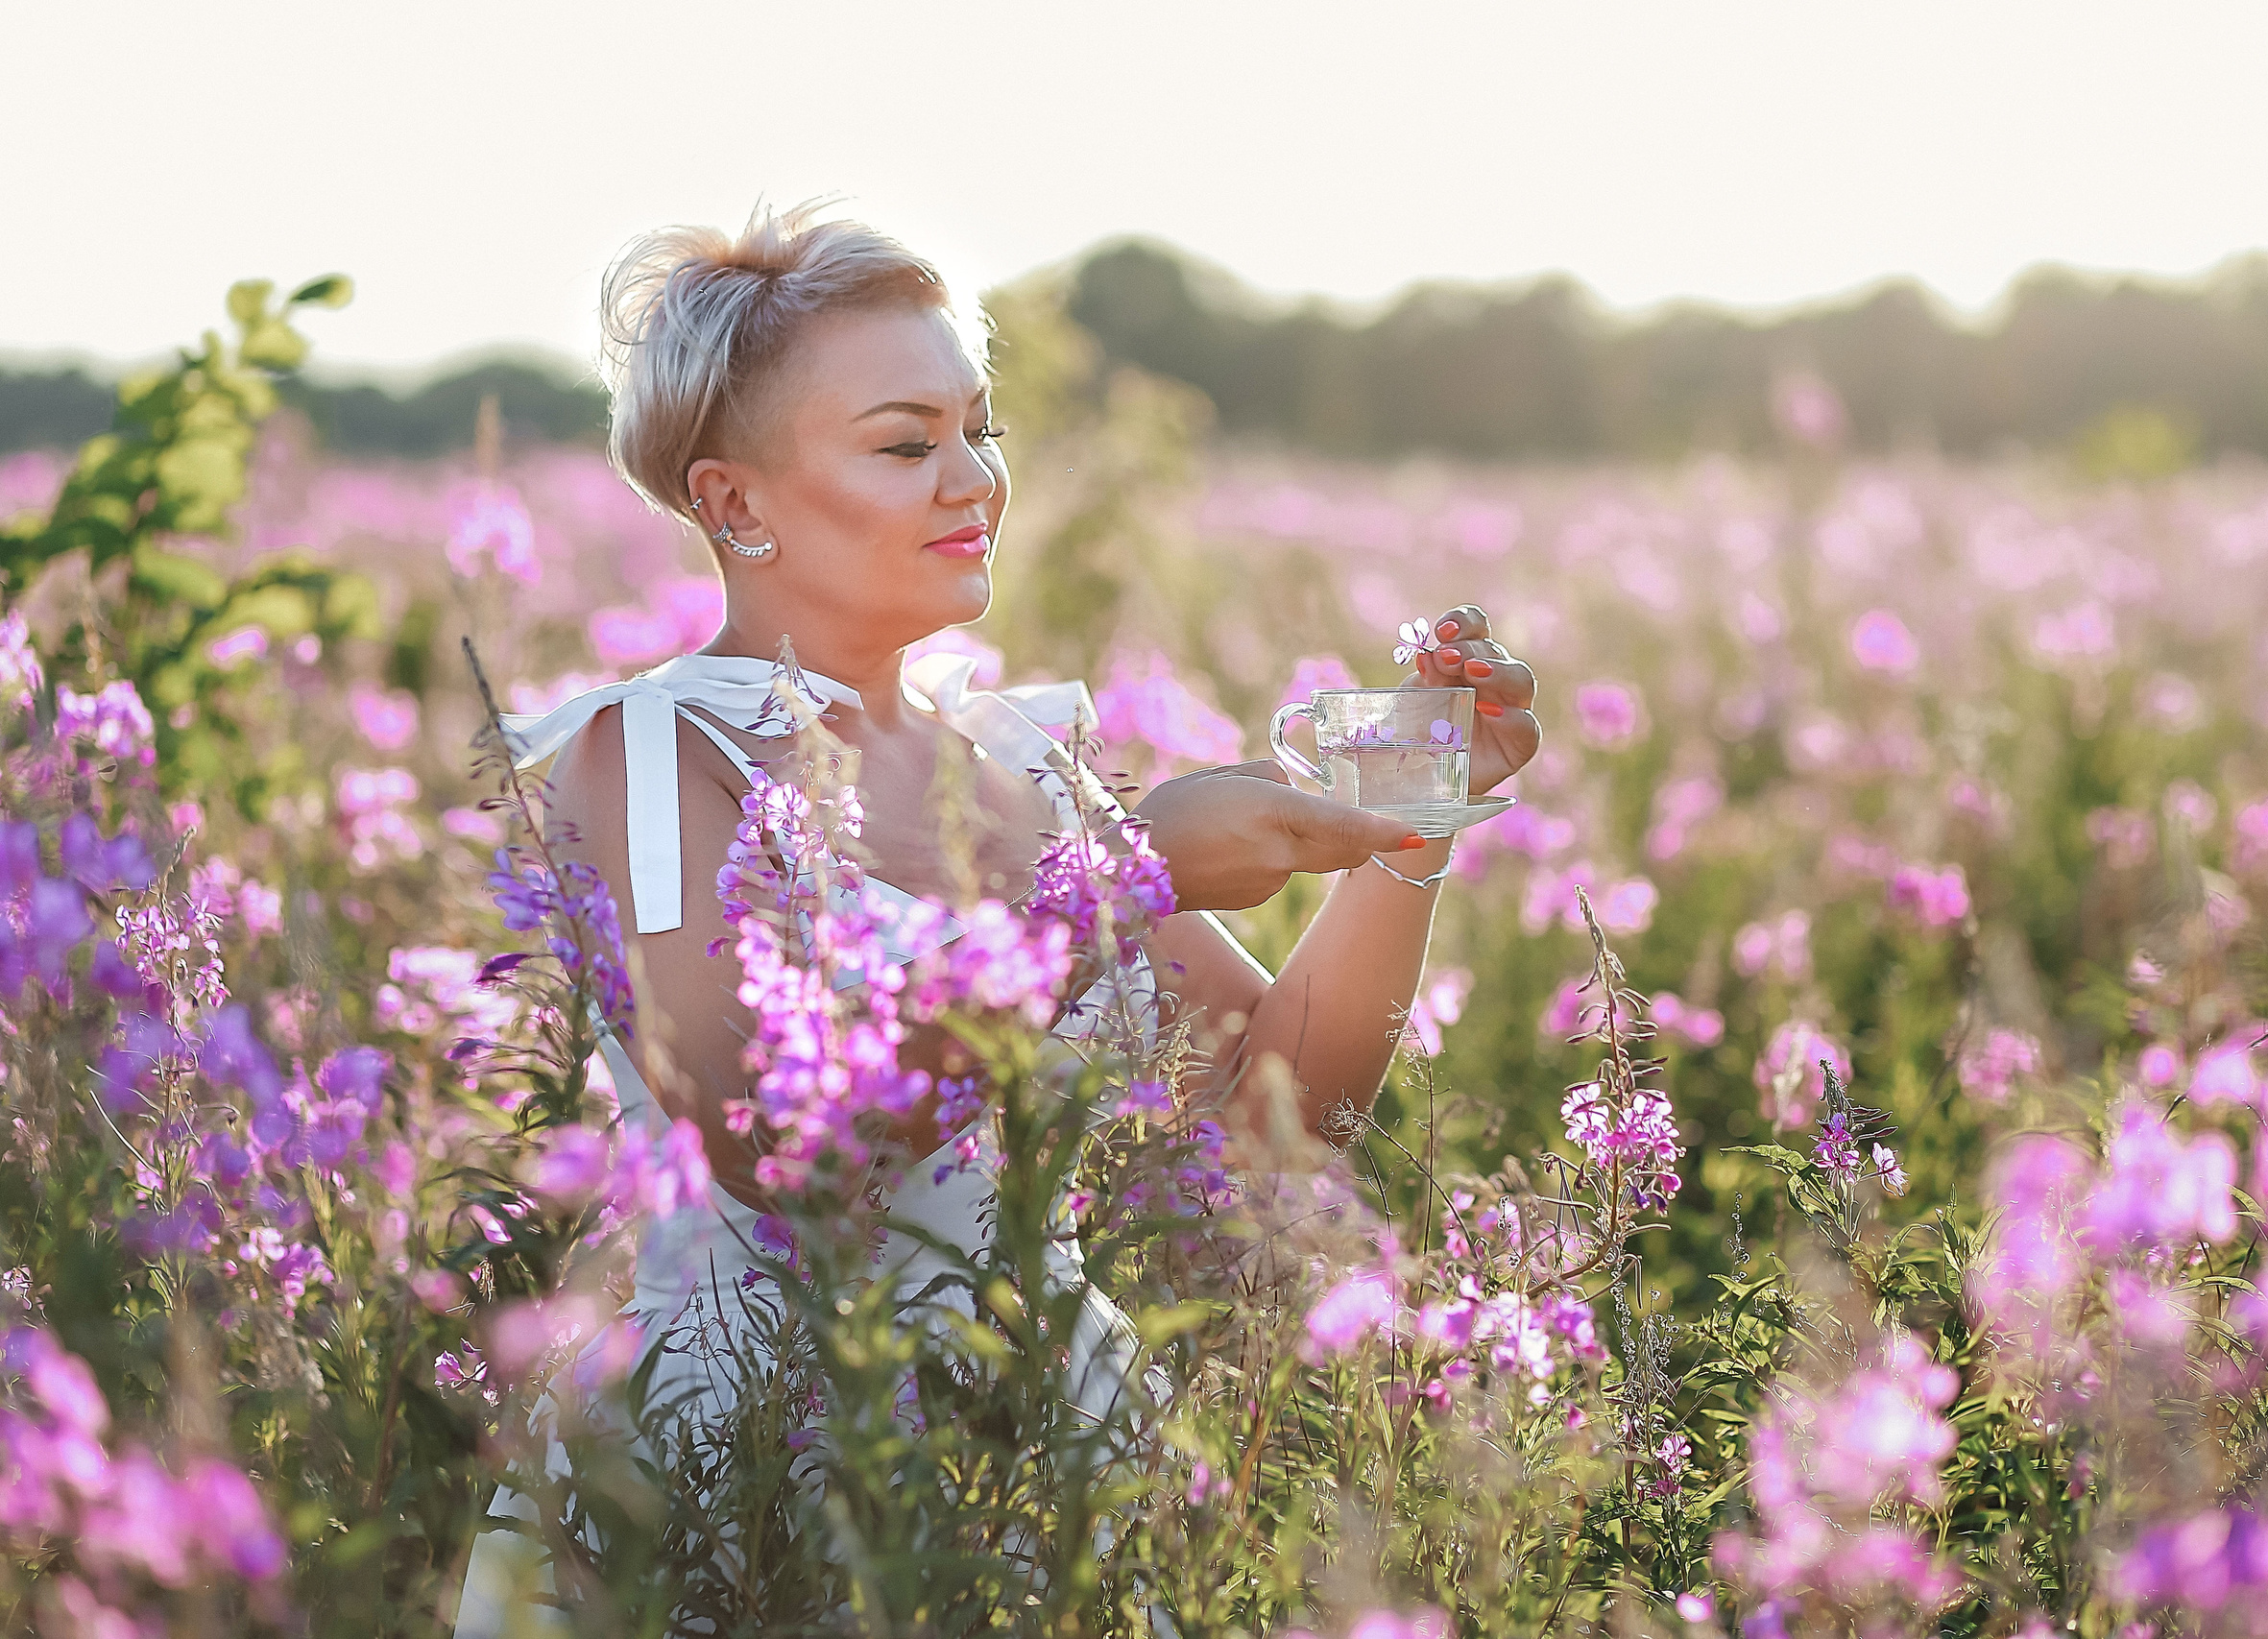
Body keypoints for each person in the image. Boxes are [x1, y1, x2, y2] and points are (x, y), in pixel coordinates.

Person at [452, 202, 1540, 1634]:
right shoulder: (646, 757)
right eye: (906, 444)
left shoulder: (1021, 763)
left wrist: (1413, 808)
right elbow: (772, 1142)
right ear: (734, 504)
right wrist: (1114, 882)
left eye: (981, 429)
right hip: (751, 1458)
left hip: (1033, 1441)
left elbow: (1278, 1114)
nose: (974, 478)